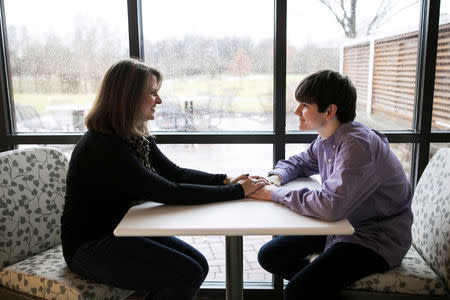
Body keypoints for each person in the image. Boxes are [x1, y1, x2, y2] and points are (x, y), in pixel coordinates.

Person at [61, 58, 265, 300]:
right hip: (90, 246)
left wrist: (226, 180)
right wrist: (238, 191)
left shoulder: (133, 135)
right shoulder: (104, 146)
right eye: (153, 93)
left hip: (121, 229)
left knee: (198, 265)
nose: (159, 100)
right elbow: (170, 191)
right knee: (187, 273)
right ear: (129, 96)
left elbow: (175, 173)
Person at [250, 70, 413, 299]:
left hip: (374, 239)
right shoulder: (328, 138)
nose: (297, 111)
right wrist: (276, 177)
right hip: (340, 227)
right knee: (270, 255)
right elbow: (299, 163)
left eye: (304, 105)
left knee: (296, 292)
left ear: (330, 110)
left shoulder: (357, 145)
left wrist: (276, 194)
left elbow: (331, 206)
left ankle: (312, 289)